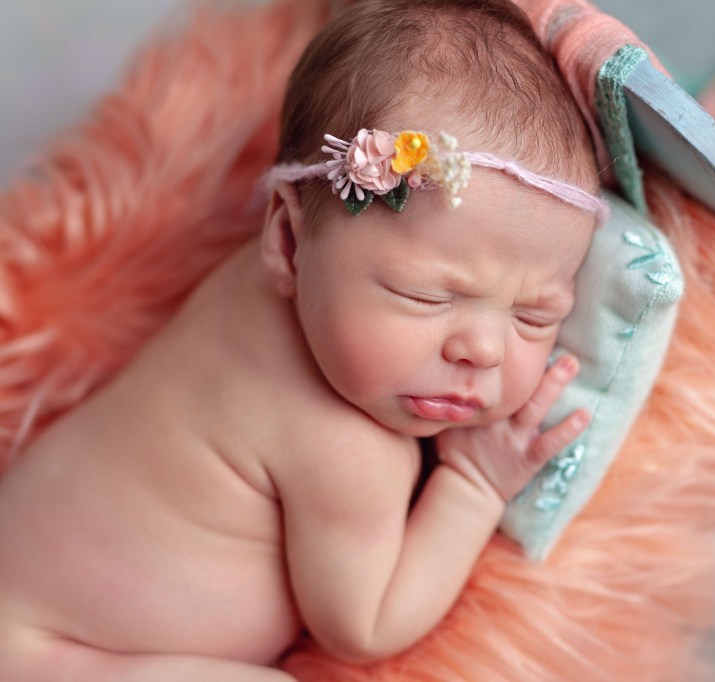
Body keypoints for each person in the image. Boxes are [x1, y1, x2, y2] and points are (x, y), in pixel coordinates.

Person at [0, 0, 609, 679]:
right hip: (66, 657)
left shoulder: (276, 279)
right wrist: (473, 483)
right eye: (426, 297)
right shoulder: (347, 448)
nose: (484, 351)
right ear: (286, 241)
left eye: (535, 314)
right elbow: (366, 625)